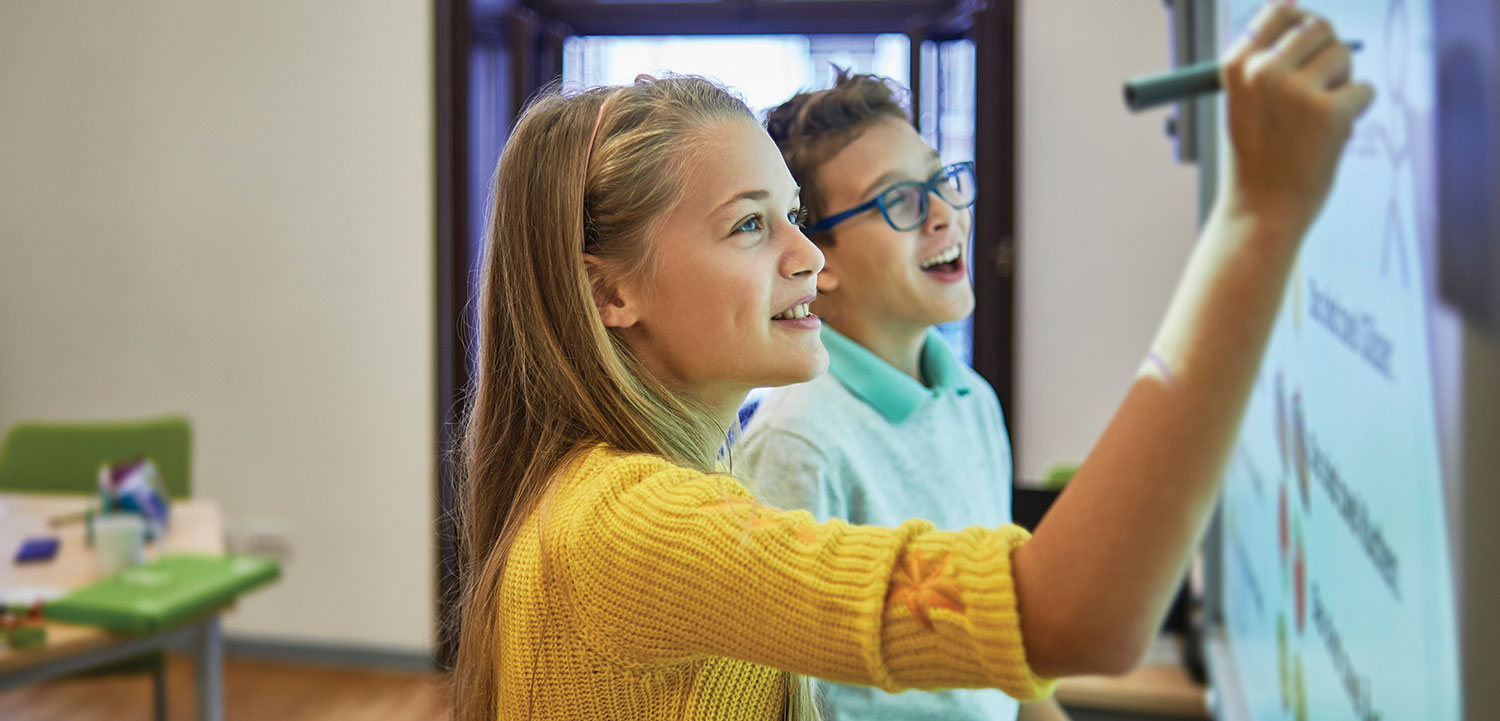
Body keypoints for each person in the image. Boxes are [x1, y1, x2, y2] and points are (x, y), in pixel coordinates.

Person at [452, 5, 1374, 719]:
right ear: (610, 293)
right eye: (748, 225)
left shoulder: (663, 480)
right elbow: (1074, 612)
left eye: (794, 217)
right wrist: (1258, 219)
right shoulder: (635, 522)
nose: (807, 257)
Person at [736, 71, 1067, 721]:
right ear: (815, 256)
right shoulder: (797, 441)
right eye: (900, 201)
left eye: (942, 182)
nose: (945, 213)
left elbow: (1003, 650)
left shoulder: (972, 397)